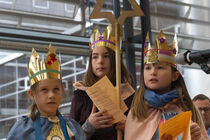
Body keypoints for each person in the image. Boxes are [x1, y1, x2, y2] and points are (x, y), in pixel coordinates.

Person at [124, 31, 209, 140]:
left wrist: (197, 137)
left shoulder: (188, 108)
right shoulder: (137, 112)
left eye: (160, 67)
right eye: (148, 68)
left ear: (175, 75)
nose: (153, 72)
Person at [70, 25, 135, 140]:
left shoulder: (129, 94)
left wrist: (131, 129)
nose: (100, 61)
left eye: (106, 56)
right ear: (90, 62)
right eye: (95, 57)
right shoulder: (81, 96)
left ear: (115, 60)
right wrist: (89, 125)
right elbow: (70, 136)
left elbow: (144, 133)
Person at [7, 45, 85, 140]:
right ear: (32, 94)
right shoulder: (22, 128)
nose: (51, 95)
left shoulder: (72, 125)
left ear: (62, 91)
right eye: (44, 90)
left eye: (56, 89)